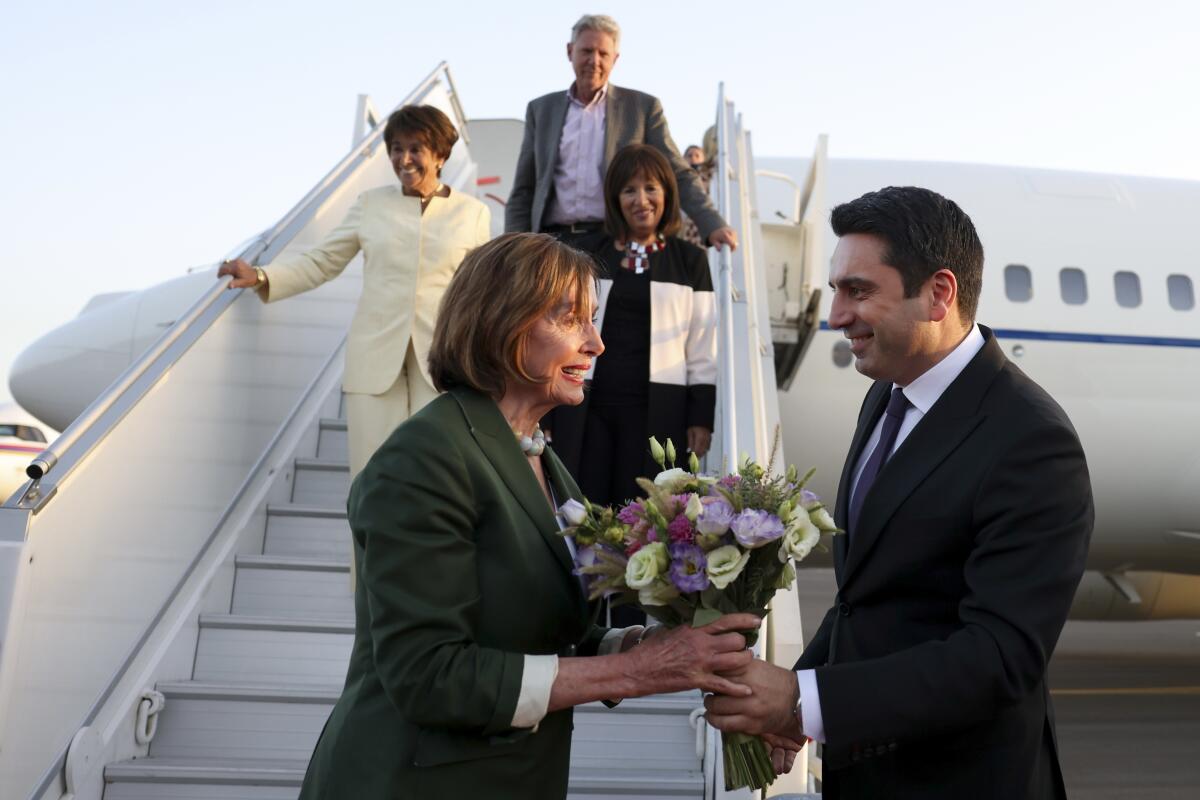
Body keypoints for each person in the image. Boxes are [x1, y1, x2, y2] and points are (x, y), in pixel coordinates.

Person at [296, 232, 759, 800]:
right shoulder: (424, 457)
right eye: (572, 320)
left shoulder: (537, 456)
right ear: (502, 324)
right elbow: (428, 676)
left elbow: (551, 639)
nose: (597, 343)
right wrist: (635, 672)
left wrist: (671, 647)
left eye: (594, 320)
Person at [704, 186, 1094, 799]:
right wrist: (793, 698)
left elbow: (999, 658)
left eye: (858, 291)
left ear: (939, 294)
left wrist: (807, 701)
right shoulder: (886, 394)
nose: (835, 315)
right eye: (836, 289)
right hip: (867, 772)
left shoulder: (1031, 441)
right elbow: (866, 597)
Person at [218, 104, 491, 480]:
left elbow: (480, 293)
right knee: (373, 478)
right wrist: (263, 276)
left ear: (441, 155)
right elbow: (323, 261)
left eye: (416, 148)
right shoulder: (370, 205)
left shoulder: (473, 213)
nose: (404, 158)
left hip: (443, 362)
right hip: (374, 357)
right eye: (397, 148)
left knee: (437, 477)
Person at [548, 143, 715, 511]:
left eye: (651, 188)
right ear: (615, 198)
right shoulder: (587, 254)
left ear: (667, 194)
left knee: (643, 516)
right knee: (583, 510)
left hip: (658, 411)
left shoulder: (691, 260)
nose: (642, 199)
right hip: (586, 407)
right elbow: (559, 331)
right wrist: (547, 408)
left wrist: (701, 416)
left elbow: (702, 346)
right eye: (629, 190)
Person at [505, 14, 737, 252]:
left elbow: (677, 172)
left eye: (603, 54)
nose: (594, 61)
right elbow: (524, 189)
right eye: (586, 51)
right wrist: (512, 246)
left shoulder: (643, 109)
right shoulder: (541, 110)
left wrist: (711, 222)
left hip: (617, 242)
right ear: (569, 52)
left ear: (615, 59)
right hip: (551, 244)